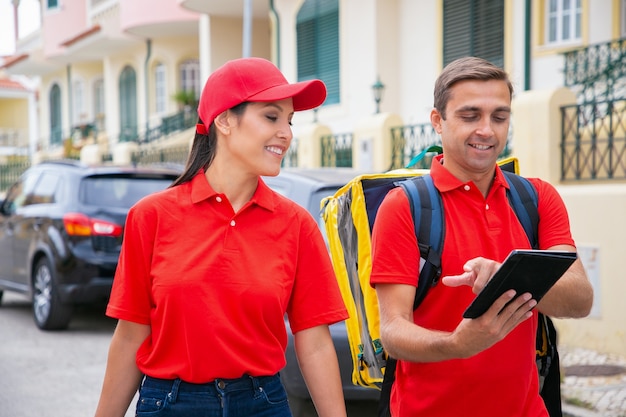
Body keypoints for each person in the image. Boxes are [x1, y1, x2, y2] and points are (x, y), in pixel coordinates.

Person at [94, 57, 349, 417]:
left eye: (289, 121)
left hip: (263, 403)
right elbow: (130, 336)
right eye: (272, 117)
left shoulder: (297, 225)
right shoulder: (151, 217)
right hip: (170, 404)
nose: (287, 133)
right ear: (225, 119)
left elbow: (315, 344)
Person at [370, 56, 594, 417]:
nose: (487, 130)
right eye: (470, 115)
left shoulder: (536, 198)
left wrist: (508, 279)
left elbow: (580, 300)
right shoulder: (404, 207)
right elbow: (394, 332)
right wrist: (458, 345)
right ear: (438, 122)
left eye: (499, 116)